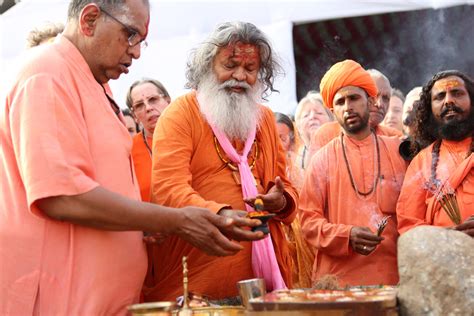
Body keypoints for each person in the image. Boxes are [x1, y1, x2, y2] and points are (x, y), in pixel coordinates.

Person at [0, 2, 262, 314]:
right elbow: (61, 197)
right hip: (61, 299)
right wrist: (177, 220)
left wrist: (143, 225)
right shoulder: (47, 74)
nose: (136, 52)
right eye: (131, 35)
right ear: (90, 19)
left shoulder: (94, 83)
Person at [147, 21, 298, 302]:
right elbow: (168, 190)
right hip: (199, 286)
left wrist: (281, 200)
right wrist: (221, 214)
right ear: (207, 67)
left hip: (264, 285)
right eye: (230, 65)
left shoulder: (264, 118)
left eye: (250, 69)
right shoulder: (181, 114)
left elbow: (286, 189)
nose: (239, 76)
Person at [299, 59, 407, 287]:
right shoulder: (322, 160)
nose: (348, 107)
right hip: (337, 282)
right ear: (333, 111)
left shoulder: (398, 150)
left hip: (391, 279)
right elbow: (308, 221)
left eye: (354, 98)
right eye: (340, 102)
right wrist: (345, 236)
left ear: (370, 101)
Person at [397, 70, 473, 237]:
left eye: (457, 93)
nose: (449, 101)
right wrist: (448, 235)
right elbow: (408, 225)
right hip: (443, 258)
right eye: (439, 97)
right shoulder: (421, 162)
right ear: (429, 110)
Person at [309, 68, 402, 157]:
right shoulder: (326, 135)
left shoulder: (396, 138)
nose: (380, 104)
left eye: (385, 98)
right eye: (373, 96)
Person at [274, 112, 314, 288]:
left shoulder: (299, 166)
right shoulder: (256, 164)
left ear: (291, 139)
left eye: (282, 138)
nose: (276, 144)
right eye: (271, 137)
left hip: (298, 228)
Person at [126, 78, 171, 202]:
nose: (148, 108)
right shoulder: (127, 150)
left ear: (168, 101)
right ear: (134, 116)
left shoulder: (191, 134)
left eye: (153, 100)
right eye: (139, 105)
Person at [294, 91, 334, 169]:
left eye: (319, 113)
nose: (312, 116)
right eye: (306, 115)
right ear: (299, 127)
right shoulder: (295, 159)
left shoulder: (342, 150)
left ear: (331, 120)